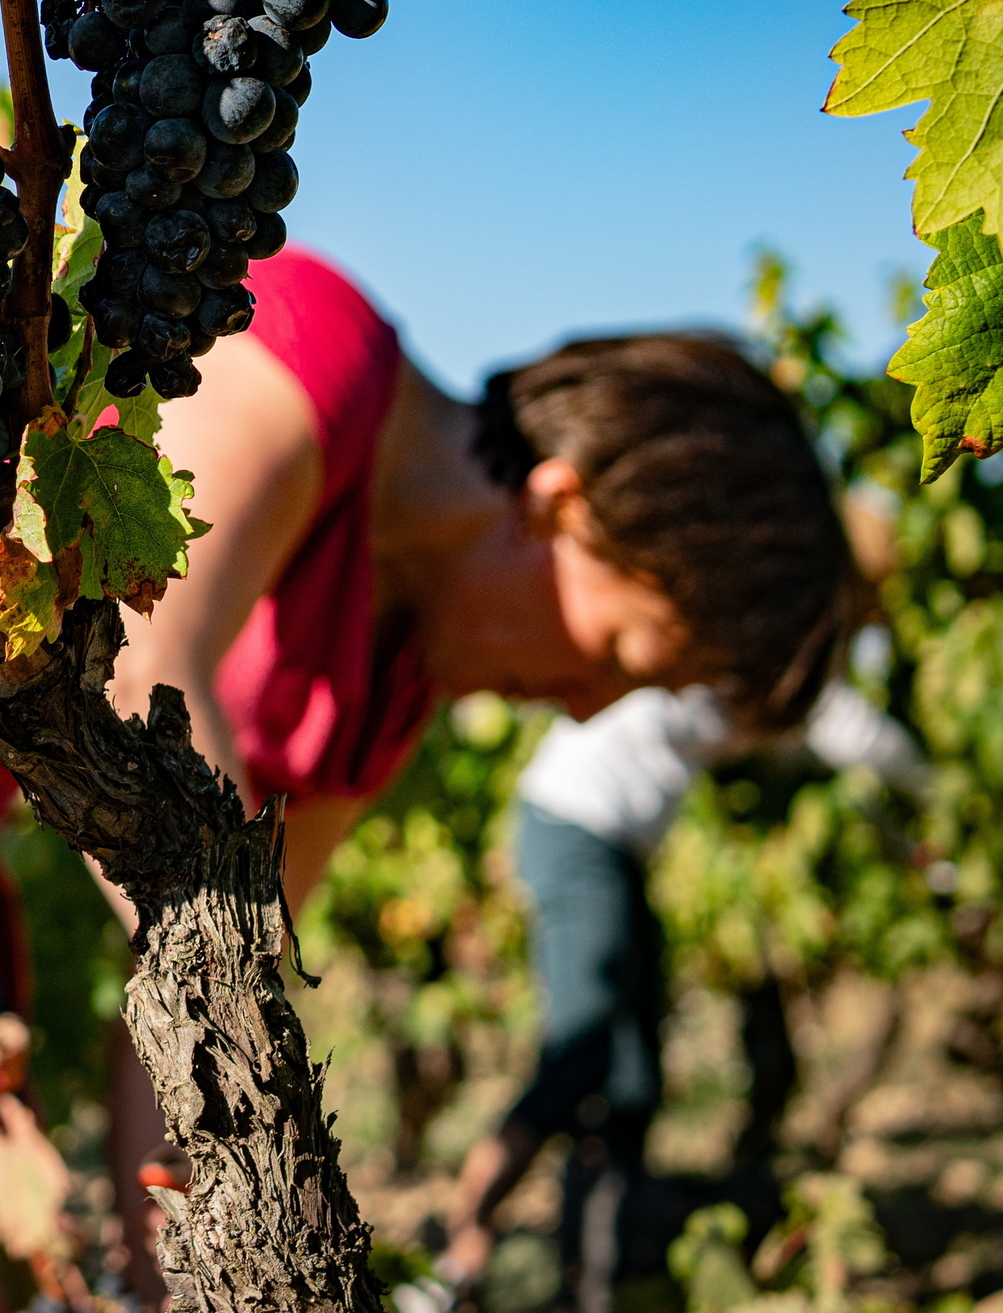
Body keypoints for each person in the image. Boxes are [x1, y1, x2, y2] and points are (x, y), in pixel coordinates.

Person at [90, 244, 859, 1303]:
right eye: (628, 656)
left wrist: (164, 1282)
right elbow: (139, 673)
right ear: (560, 505)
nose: (591, 707)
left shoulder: (387, 699)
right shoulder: (318, 358)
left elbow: (199, 986)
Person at [424, 681, 916, 1313]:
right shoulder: (747, 646)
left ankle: (591, 1288)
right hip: (573, 825)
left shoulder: (755, 667)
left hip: (617, 848)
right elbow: (842, 724)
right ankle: (459, 1251)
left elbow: (827, 738)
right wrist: (932, 792)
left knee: (632, 1081)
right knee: (580, 1056)